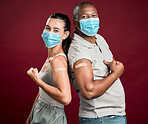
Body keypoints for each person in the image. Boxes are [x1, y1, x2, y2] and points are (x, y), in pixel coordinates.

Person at [68, 2, 126, 124]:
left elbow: (112, 65)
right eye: (85, 17)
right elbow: (89, 91)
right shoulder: (80, 52)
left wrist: (113, 68)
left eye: (94, 15)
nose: (91, 20)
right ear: (75, 22)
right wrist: (116, 74)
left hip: (114, 115)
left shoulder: (99, 39)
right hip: (100, 118)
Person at [26, 13, 72, 124]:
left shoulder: (58, 61)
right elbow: (42, 93)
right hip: (39, 111)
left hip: (52, 117)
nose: (50, 33)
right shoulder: (50, 57)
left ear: (65, 35)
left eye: (56, 30)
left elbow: (66, 98)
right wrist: (30, 117)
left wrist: (37, 80)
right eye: (47, 28)